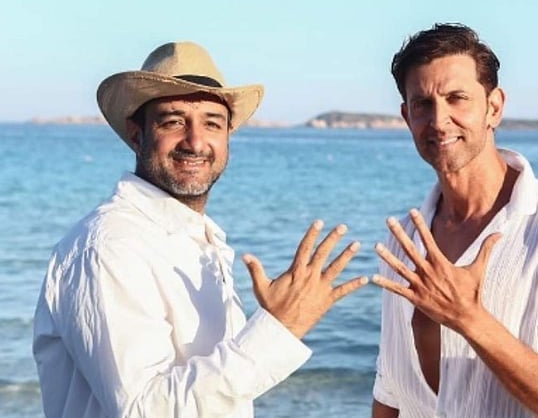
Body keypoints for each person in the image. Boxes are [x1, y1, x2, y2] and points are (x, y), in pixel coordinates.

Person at [32, 41, 368, 417]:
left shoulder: (197, 237)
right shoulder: (110, 245)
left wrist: (270, 327)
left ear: (227, 137)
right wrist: (279, 328)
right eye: (173, 121)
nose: (195, 142)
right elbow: (144, 409)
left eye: (212, 123)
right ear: (137, 135)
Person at [371, 23, 538, 418]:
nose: (439, 120)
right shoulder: (405, 239)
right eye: (422, 103)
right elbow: (390, 389)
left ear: (494, 107)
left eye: (457, 98)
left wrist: (470, 319)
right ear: (407, 117)